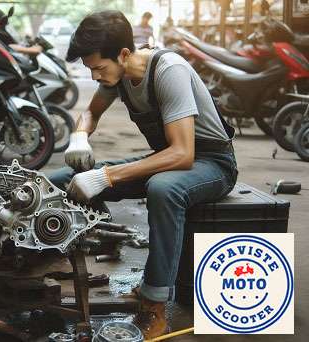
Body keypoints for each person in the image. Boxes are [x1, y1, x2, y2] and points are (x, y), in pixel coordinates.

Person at [49, 10, 237, 339]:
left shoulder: (169, 70)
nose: (94, 76)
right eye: (89, 68)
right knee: (63, 178)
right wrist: (80, 136)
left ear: (123, 54)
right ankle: (79, 246)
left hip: (213, 163)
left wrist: (106, 177)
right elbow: (91, 112)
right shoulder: (117, 75)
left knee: (163, 189)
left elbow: (183, 153)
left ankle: (154, 305)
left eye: (97, 68)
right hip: (169, 157)